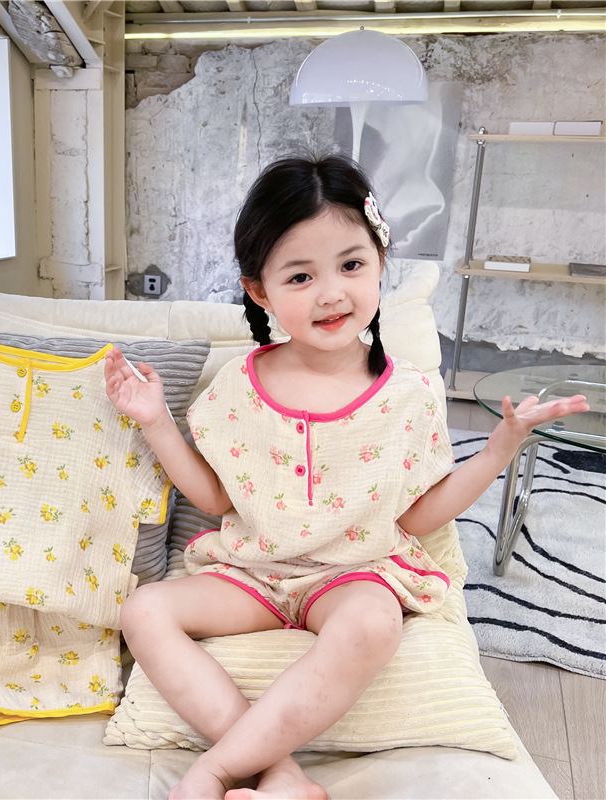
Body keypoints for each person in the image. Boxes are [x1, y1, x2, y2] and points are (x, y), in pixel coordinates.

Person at [103, 154, 588, 800]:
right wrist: (156, 421)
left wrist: (500, 447)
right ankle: (280, 772)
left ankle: (215, 770)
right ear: (259, 291)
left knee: (373, 623)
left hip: (352, 574)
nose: (331, 293)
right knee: (143, 611)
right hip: (252, 574)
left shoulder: (407, 394)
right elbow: (217, 497)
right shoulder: (237, 387)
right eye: (301, 276)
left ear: (380, 263)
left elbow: (417, 517)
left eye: (351, 265)